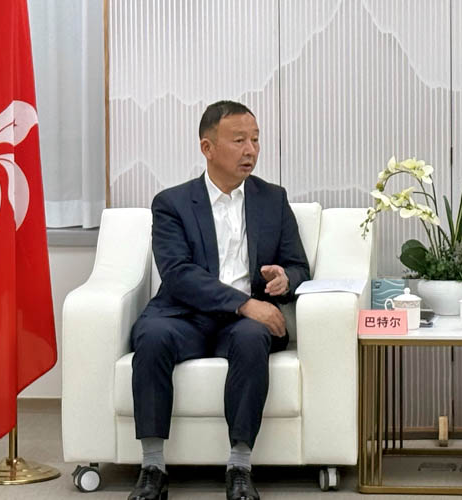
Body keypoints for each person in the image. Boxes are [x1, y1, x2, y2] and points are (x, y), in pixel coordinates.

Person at [127, 100, 309, 500]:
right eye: (239, 140)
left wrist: (284, 279)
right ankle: (152, 468)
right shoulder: (172, 203)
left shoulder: (272, 199)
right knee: (152, 336)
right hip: (184, 315)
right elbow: (178, 273)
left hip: (242, 324)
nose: (251, 150)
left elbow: (299, 266)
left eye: (256, 140)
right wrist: (245, 303)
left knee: (252, 337)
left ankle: (240, 467)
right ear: (207, 148)